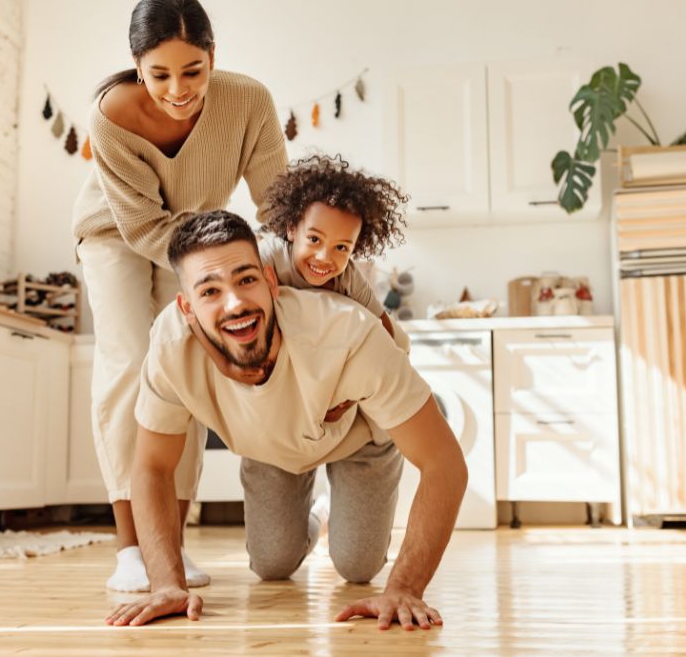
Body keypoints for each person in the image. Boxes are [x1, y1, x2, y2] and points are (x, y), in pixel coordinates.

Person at [105, 211, 468, 629]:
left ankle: (337, 506)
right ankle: (320, 514)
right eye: (209, 291)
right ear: (186, 307)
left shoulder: (349, 335)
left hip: (356, 437)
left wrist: (405, 586)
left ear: (270, 281)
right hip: (269, 445)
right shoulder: (170, 348)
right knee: (271, 564)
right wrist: (166, 584)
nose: (235, 303)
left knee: (357, 565)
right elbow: (152, 466)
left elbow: (445, 465)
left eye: (246, 280)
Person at [72, 0, 288, 592]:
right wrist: (214, 263)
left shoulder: (250, 102)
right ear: (137, 65)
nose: (178, 89)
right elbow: (140, 226)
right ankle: (129, 549)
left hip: (193, 239)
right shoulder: (111, 114)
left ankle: (171, 538)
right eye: (160, 73)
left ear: (213, 58)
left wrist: (306, 258)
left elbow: (277, 204)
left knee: (182, 368)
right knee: (127, 362)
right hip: (115, 232)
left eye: (193, 71)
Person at [196, 154, 410, 386]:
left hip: (320, 357)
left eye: (341, 247)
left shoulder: (348, 275)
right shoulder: (267, 258)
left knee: (402, 343)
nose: (324, 258)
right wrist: (225, 365)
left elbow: (384, 332)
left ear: (355, 247)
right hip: (272, 353)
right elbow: (212, 310)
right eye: (314, 239)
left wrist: (356, 391)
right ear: (291, 229)